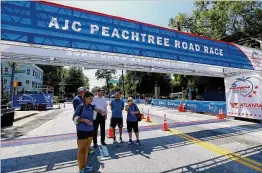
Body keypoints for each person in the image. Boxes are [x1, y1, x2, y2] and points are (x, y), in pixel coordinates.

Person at [73, 91, 105, 173]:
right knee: (81, 150)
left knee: (87, 149)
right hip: (82, 130)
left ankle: (85, 166)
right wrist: (83, 120)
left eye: (92, 98)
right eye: (90, 98)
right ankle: (81, 169)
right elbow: (74, 118)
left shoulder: (92, 106)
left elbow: (98, 109)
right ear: (85, 98)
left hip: (90, 130)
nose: (91, 100)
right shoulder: (80, 106)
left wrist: (103, 111)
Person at [72, 87, 94, 155]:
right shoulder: (76, 99)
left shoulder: (83, 98)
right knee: (80, 135)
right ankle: (81, 150)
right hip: (81, 120)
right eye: (83, 91)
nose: (84, 92)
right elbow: (77, 112)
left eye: (84, 91)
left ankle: (87, 148)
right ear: (80, 92)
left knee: (87, 135)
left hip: (87, 119)